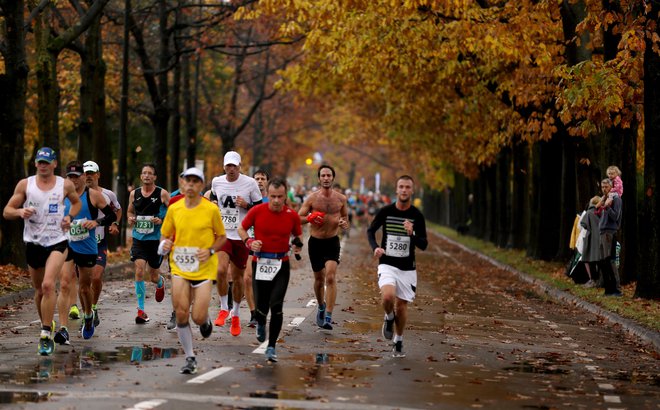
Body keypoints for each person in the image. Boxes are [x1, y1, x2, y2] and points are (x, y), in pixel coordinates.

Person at [3, 147, 81, 355]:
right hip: (34, 243)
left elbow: (76, 203)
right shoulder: (25, 185)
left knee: (48, 285)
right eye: (40, 162)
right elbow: (6, 211)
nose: (43, 165)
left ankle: (46, 335)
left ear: (55, 164)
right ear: (36, 164)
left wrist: (70, 218)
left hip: (58, 241)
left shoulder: (65, 184)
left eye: (47, 162)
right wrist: (20, 211)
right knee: (39, 291)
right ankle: (46, 323)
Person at [159, 167, 226, 374]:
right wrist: (163, 246)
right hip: (179, 267)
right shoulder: (174, 208)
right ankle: (190, 357)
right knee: (181, 314)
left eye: (195, 181)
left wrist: (211, 250)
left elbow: (222, 237)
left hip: (204, 269)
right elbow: (165, 236)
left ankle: (204, 320)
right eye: (187, 181)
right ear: (182, 184)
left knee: (196, 317)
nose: (190, 185)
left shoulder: (210, 210)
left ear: (201, 185)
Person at [238, 177, 303, 362]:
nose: (275, 200)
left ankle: (272, 346)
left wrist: (298, 245)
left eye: (280, 197)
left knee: (277, 306)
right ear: (267, 194)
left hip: (281, 264)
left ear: (285, 196)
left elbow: (297, 235)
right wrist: (249, 242)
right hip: (260, 263)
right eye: (272, 196)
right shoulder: (257, 211)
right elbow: (241, 229)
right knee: (261, 306)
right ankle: (260, 322)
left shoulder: (291, 215)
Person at [55, 161, 116, 344]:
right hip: (67, 245)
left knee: (84, 287)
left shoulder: (94, 196)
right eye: (70, 177)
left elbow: (111, 216)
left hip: (87, 247)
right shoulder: (61, 196)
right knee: (65, 283)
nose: (73, 180)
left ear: (83, 177)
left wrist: (96, 223)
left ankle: (88, 314)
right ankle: (63, 329)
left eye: (76, 176)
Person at [367, 175, 428, 358]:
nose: (403, 190)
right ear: (396, 189)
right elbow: (371, 230)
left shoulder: (417, 215)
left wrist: (412, 233)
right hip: (387, 263)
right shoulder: (386, 211)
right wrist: (375, 247)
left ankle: (399, 340)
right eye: (401, 187)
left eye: (407, 187)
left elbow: (424, 244)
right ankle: (389, 317)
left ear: (412, 190)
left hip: (407, 268)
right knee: (387, 297)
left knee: (401, 306)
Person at [206, 151, 262, 336]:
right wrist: (213, 204)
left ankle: (236, 314)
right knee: (221, 270)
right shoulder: (217, 181)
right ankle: (223, 308)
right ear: (224, 167)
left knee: (238, 279)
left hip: (241, 235)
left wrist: (246, 205)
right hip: (223, 235)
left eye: (234, 166)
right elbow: (214, 199)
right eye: (228, 166)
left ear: (240, 166)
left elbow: (259, 209)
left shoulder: (250, 183)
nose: (231, 169)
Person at [298, 165, 349, 330]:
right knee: (319, 280)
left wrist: (343, 223)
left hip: (332, 242)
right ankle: (321, 305)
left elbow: (345, 217)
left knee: (331, 277)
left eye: (329, 175)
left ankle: (328, 315)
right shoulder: (312, 198)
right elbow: (298, 218)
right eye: (323, 176)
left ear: (333, 178)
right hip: (316, 242)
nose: (326, 178)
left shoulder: (341, 199)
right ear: (319, 179)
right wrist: (311, 217)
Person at [126, 163, 170, 324]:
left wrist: (161, 219)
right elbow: (130, 211)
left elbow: (173, 212)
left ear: (155, 177)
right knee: (139, 271)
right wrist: (130, 218)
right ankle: (141, 310)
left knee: (153, 276)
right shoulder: (134, 194)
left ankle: (160, 282)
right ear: (140, 176)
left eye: (150, 173)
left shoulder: (162, 193)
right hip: (139, 239)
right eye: (144, 173)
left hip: (155, 240)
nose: (147, 176)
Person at [82, 161, 122, 327]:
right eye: (86, 173)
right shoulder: (76, 196)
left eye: (92, 173)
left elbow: (117, 211)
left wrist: (114, 224)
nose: (89, 176)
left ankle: (94, 306)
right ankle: (87, 314)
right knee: (83, 284)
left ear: (98, 174)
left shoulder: (108, 194)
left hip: (99, 242)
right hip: (81, 243)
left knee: (96, 277)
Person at [243, 169, 270, 328]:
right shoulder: (245, 197)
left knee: (263, 281)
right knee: (247, 278)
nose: (259, 181)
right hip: (250, 241)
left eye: (263, 178)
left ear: (267, 181)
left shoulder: (271, 199)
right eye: (257, 178)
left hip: (267, 245)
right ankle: (253, 314)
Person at [596, 179, 622, 296]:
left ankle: (616, 289)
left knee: (610, 261)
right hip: (602, 232)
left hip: (609, 233)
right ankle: (608, 289)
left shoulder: (616, 199)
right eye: (602, 187)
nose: (604, 189)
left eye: (606, 187)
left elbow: (616, 216)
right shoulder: (605, 199)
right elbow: (602, 215)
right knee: (603, 262)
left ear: (611, 187)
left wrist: (607, 207)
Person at [578, 196, 602, 288]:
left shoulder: (588, 213)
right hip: (601, 238)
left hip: (591, 238)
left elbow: (583, 224)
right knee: (601, 260)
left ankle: (592, 280)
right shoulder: (602, 212)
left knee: (590, 259)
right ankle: (600, 280)